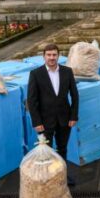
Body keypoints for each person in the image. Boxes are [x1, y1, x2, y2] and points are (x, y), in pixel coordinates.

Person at [27, 43, 79, 186]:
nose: (51, 58)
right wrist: (36, 122)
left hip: (65, 119)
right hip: (44, 121)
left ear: (58, 56)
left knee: (62, 149)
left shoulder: (67, 72)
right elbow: (32, 100)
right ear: (43, 56)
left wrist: (74, 116)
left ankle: (63, 176)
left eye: (54, 55)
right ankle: (48, 178)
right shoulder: (36, 74)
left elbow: (74, 95)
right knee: (46, 152)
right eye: (48, 55)